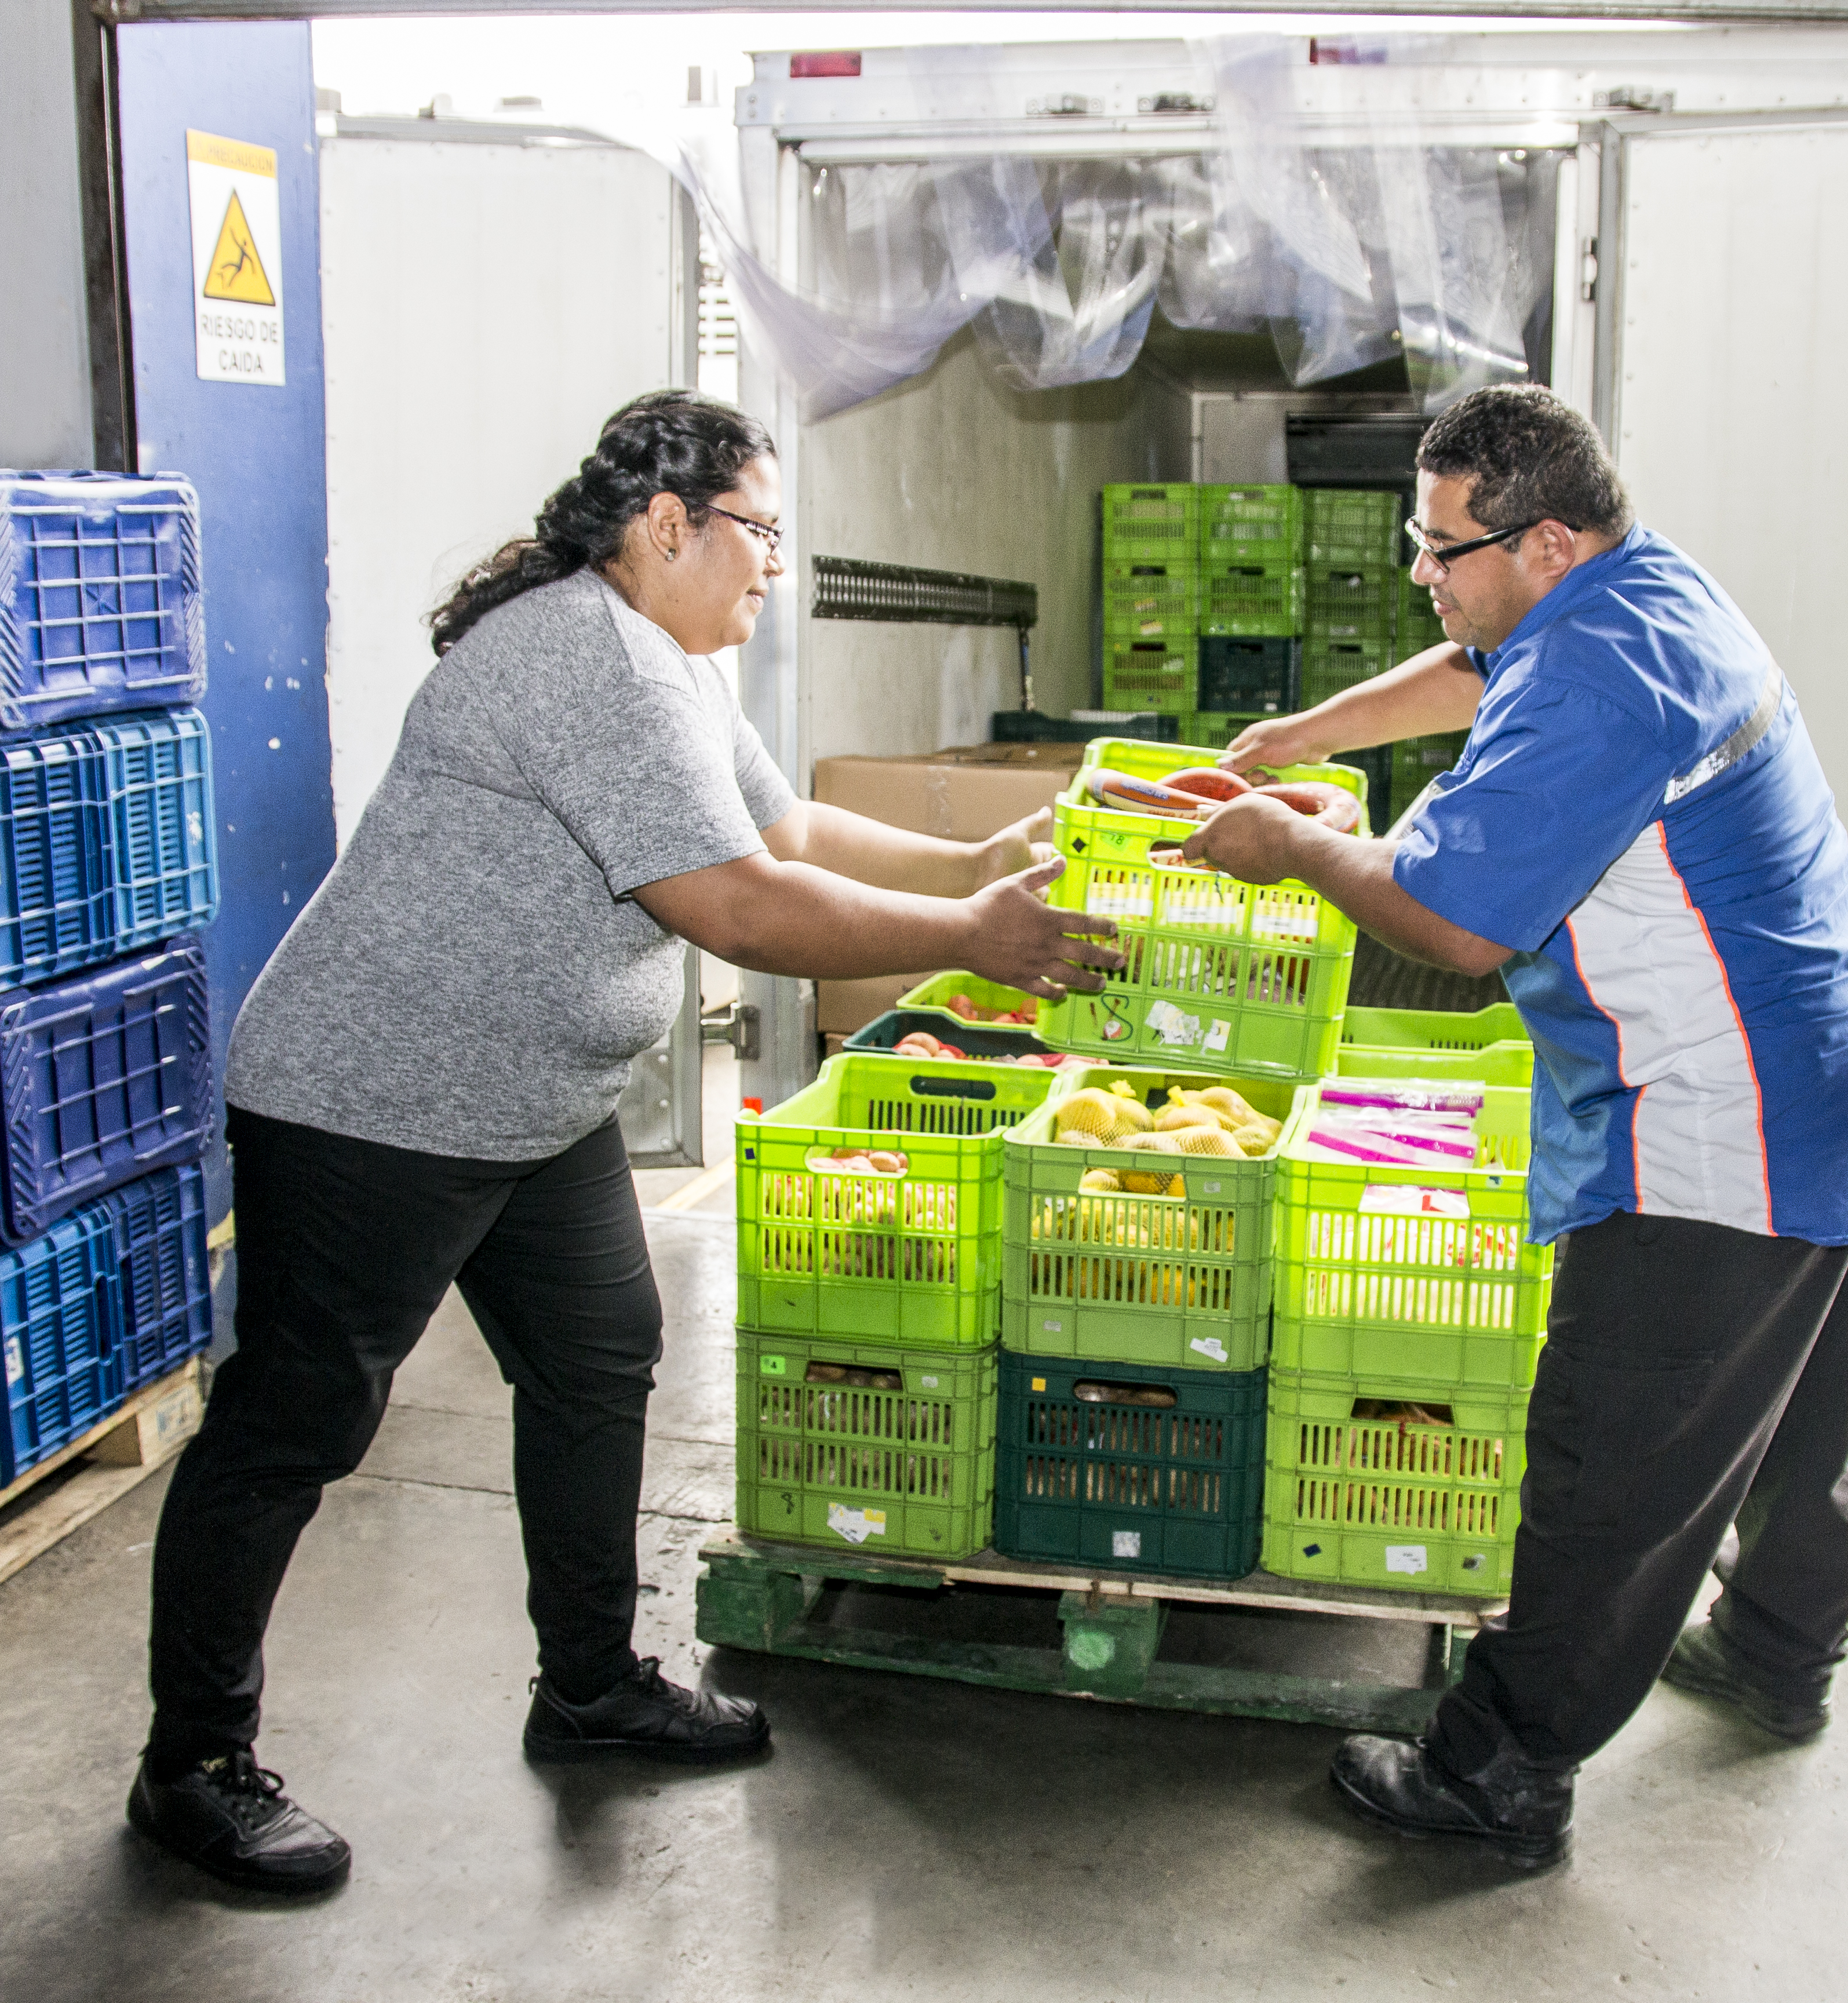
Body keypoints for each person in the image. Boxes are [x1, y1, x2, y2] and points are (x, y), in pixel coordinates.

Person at [126, 389, 1122, 1895]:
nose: (773, 565)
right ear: (671, 527)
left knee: (598, 1358)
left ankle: (589, 1683)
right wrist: (975, 936)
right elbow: (733, 906)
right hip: (374, 1099)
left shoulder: (672, 661)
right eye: (761, 534)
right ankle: (191, 1765)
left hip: (532, 1101)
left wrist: (981, 862)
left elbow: (788, 834)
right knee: (295, 1424)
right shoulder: (584, 655)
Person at [1185, 384, 1848, 1869]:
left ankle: (1501, 1771)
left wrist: (1298, 844)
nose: (1422, 569)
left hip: (1733, 1123)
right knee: (1794, 1412)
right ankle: (1782, 1659)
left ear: (1546, 539)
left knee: (1615, 1455)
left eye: (1440, 544)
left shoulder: (1601, 682)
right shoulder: (1639, 592)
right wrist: (1308, 733)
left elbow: (1454, 925)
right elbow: (1478, 669)